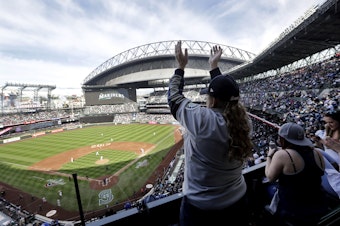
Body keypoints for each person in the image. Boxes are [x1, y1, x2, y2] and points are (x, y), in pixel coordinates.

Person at [167, 41, 253, 226]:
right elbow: (230, 100)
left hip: (200, 210)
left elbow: (174, 97)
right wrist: (214, 69)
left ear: (212, 101)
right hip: (238, 202)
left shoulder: (202, 120)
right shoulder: (245, 123)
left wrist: (180, 68)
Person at [265, 122, 328, 226]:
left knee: (268, 189)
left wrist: (269, 156)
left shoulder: (282, 155)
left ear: (283, 139)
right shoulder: (316, 152)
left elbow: (270, 177)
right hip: (319, 204)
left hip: (295, 211)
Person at [314, 110, 340, 199]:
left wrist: (335, 147)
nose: (329, 125)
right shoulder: (328, 130)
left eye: (331, 122)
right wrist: (318, 142)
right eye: (327, 122)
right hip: (331, 166)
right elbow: (323, 149)